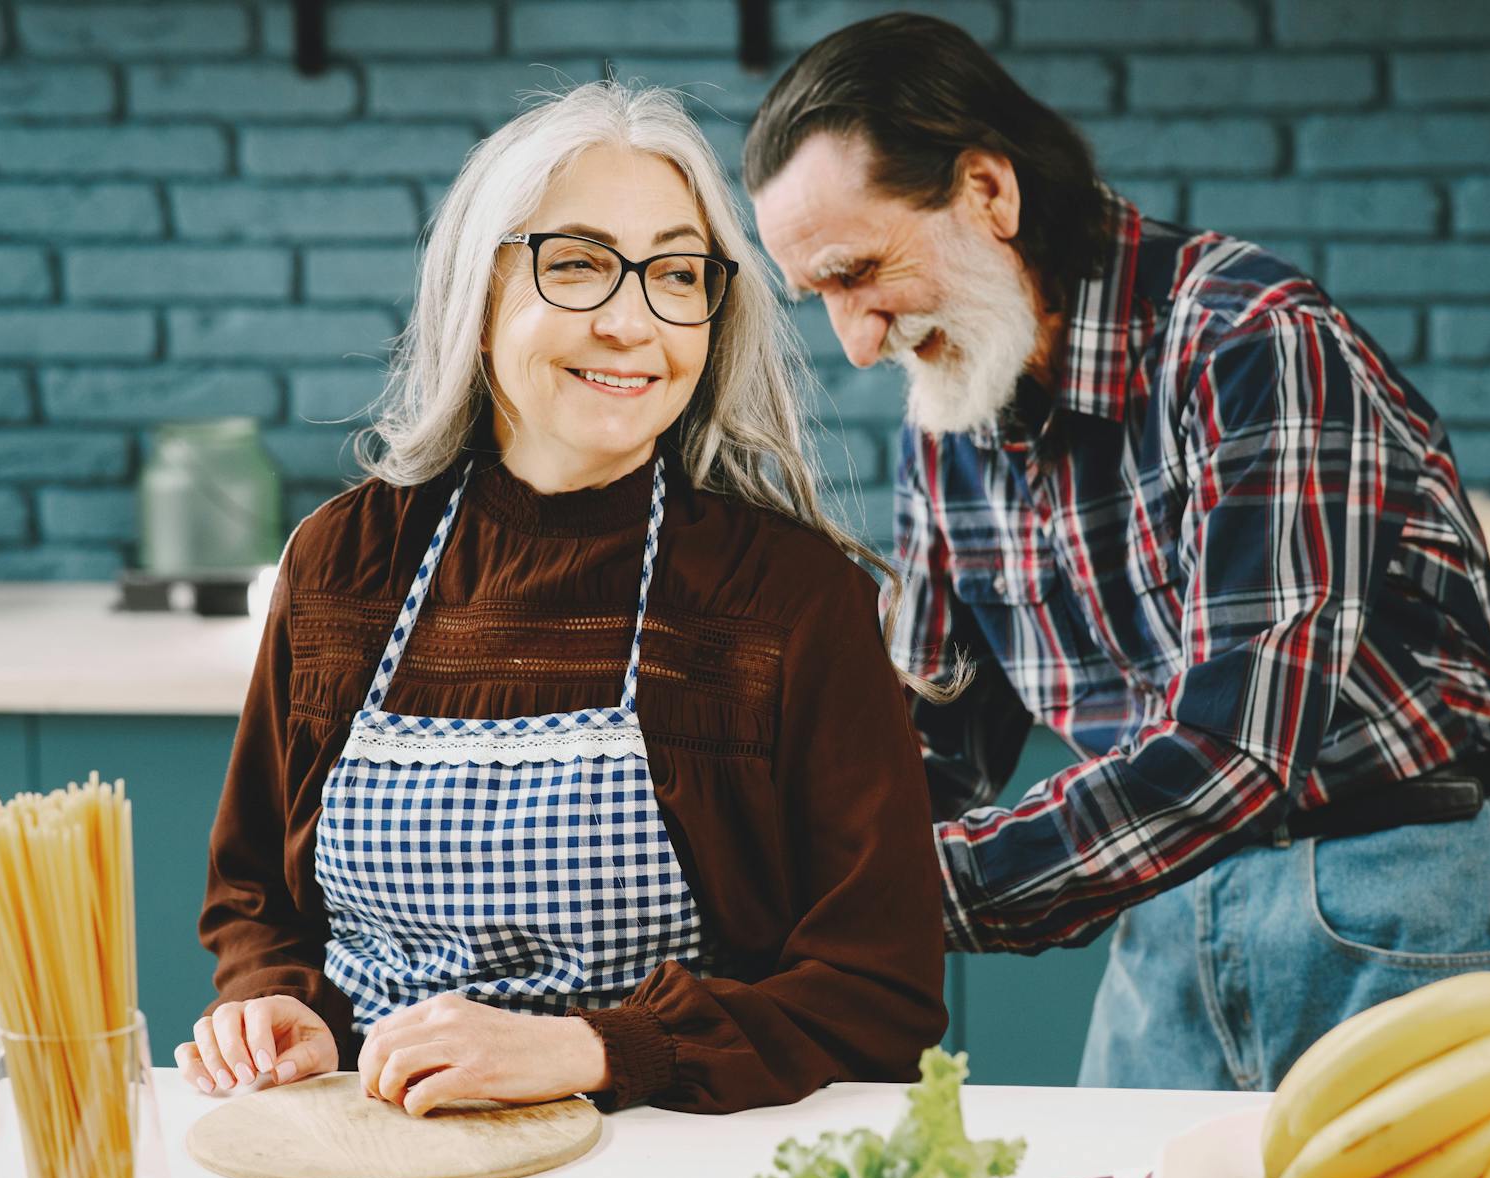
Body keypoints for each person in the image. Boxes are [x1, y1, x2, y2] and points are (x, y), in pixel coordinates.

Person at [744, 14, 1490, 1092]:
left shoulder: (1249, 340)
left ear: (987, 191)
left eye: (860, 273)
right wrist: (777, 862)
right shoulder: (947, 419)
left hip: (1390, 896)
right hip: (1162, 914)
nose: (856, 341)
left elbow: (1236, 746)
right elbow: (928, 752)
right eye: (823, 298)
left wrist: (898, 889)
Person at [178, 81, 947, 1116]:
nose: (633, 321)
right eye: (577, 264)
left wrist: (593, 1049)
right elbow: (254, 899)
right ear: (478, 297)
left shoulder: (789, 598)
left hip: (666, 1158)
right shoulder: (343, 561)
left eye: (676, 274)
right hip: (365, 1143)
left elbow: (876, 991)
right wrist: (280, 1002)